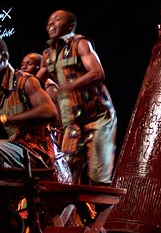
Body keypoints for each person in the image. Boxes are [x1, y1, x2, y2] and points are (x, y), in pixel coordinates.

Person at [36, 9, 117, 187]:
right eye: (49, 21)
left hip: (97, 118)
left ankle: (107, 213)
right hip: (72, 122)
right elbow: (36, 80)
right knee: (64, 176)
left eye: (56, 20)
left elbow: (97, 73)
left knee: (98, 178)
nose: (51, 23)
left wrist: (67, 87)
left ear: (70, 26)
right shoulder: (47, 54)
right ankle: (80, 214)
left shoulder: (80, 43)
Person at [0, 37, 59, 175]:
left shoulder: (25, 82)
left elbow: (50, 112)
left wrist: (2, 119)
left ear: (4, 57)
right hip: (1, 149)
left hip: (33, 152)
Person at [20, 52, 62, 147]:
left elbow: (57, 121)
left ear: (40, 67)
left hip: (51, 138)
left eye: (29, 64)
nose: (24, 67)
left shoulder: (49, 87)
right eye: (22, 64)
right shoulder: (25, 86)